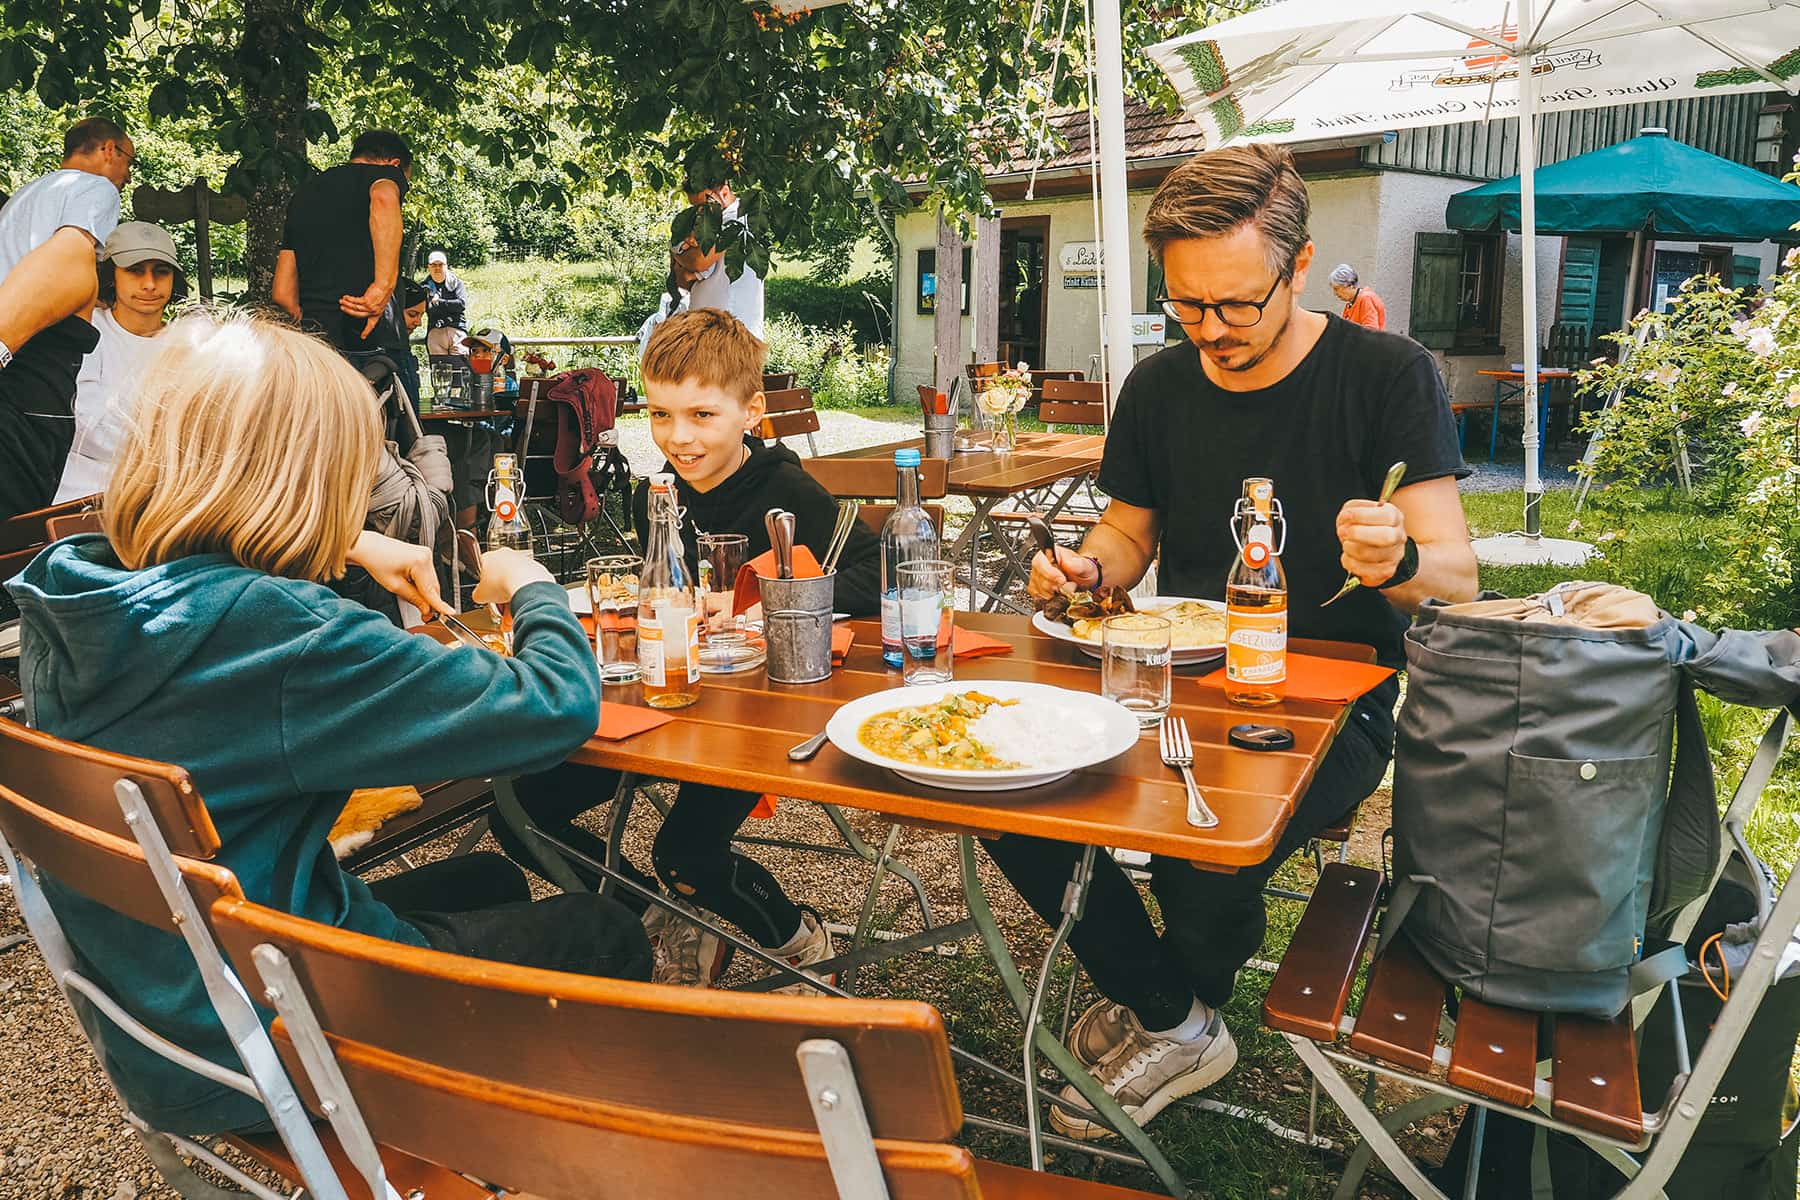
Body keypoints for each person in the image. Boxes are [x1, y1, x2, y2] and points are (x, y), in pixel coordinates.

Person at [5, 312, 651, 1138]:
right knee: (603, 932)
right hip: (287, 1042)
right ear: (311, 478)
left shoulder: (71, 591)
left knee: (485, 881)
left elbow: (210, 585)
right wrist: (534, 587)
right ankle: (546, 1149)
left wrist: (348, 542)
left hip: (169, 1023)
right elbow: (555, 707)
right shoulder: (285, 636)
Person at [1014, 144, 1478, 1138]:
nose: (1211, 331)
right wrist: (1088, 570)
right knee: (1011, 796)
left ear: (1299, 265)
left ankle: (1169, 1010)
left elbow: (1457, 580)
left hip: (1335, 703)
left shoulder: (1387, 375)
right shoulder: (1158, 387)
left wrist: (1397, 559)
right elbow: (1128, 534)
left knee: (1205, 846)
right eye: (1186, 306)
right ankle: (1174, 1012)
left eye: (1235, 304)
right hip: (1177, 680)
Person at [503, 308, 880, 989]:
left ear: (751, 412)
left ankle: (799, 941)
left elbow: (878, 575)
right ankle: (656, 919)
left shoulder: (786, 492)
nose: (678, 437)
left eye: (702, 415)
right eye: (660, 414)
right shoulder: (660, 496)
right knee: (520, 811)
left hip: (759, 717)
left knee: (686, 852)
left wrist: (750, 601)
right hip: (667, 704)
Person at [0, 117, 132, 519]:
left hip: (14, 361)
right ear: (108, 150)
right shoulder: (96, 187)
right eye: (129, 161)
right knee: (17, 522)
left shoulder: (25, 195)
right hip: (34, 363)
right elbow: (68, 257)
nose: (127, 176)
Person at [55, 222, 187, 502]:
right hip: (84, 497)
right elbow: (85, 425)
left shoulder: (189, 343)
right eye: (135, 270)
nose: (149, 284)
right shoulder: (88, 332)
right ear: (111, 275)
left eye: (161, 271)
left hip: (167, 498)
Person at [272, 129, 410, 357]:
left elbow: (282, 294)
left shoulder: (304, 194)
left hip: (317, 346)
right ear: (394, 164)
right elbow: (384, 198)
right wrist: (382, 287)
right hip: (373, 343)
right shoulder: (385, 174)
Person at [676, 169, 765, 337]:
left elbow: (697, 262)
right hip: (709, 331)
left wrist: (675, 249)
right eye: (695, 208)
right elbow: (682, 280)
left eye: (705, 206)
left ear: (724, 192)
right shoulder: (711, 222)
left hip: (731, 333)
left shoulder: (736, 220)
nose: (699, 213)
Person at [423, 250, 471, 354]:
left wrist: (439, 302)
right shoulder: (424, 287)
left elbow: (461, 304)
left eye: (440, 264)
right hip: (435, 332)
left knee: (461, 363)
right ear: (428, 267)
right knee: (438, 364)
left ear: (446, 266)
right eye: (433, 265)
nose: (437, 268)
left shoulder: (457, 283)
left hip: (457, 331)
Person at [1329, 263, 1386, 330]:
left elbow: (1371, 330)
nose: (1335, 293)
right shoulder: (1351, 303)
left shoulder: (1366, 299)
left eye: (1336, 289)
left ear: (1350, 285)